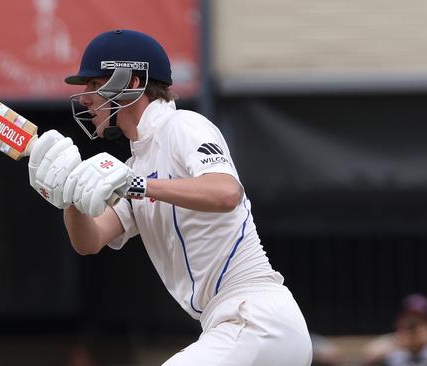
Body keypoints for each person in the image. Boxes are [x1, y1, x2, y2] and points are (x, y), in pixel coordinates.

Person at [28, 29, 312, 366]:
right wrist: (69, 197)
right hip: (230, 327)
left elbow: (225, 192)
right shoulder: (136, 165)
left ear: (131, 82)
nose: (86, 98)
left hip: (255, 318)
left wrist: (140, 186)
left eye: (94, 85)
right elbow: (88, 241)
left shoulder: (182, 126)